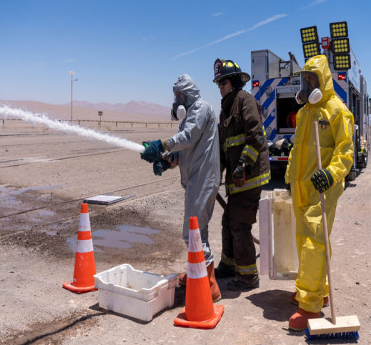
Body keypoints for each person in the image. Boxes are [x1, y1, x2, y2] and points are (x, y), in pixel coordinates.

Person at [284, 54, 354, 331]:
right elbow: (297, 148)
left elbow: (345, 151)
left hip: (323, 187)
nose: (307, 83)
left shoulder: (337, 110)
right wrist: (290, 172)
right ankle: (315, 290)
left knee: (314, 241)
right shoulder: (305, 113)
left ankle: (310, 307)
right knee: (305, 239)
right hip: (301, 187)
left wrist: (333, 173)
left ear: (323, 80)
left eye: (312, 79)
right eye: (305, 79)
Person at [140, 74, 221, 302]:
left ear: (188, 95)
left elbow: (188, 137)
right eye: (176, 97)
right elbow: (185, 148)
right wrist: (168, 160)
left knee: (191, 233)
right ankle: (200, 275)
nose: (177, 102)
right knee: (199, 231)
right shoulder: (187, 117)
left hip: (203, 179)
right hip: (196, 179)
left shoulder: (202, 108)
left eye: (180, 96)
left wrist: (161, 144)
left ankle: (209, 285)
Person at [213, 59, 270, 291]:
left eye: (223, 82)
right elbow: (225, 147)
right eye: (218, 83)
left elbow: (255, 136)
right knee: (228, 220)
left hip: (250, 176)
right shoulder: (226, 107)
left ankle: (248, 277)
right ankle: (229, 265)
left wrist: (243, 164)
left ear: (234, 81)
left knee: (239, 224)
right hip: (237, 180)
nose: (220, 86)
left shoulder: (244, 100)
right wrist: (216, 174)